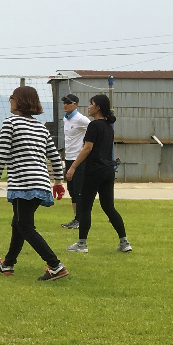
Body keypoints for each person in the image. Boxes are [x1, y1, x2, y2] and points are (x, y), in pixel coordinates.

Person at [0, 86, 68, 281]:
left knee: (25, 226)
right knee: (18, 223)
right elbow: (55, 158)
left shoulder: (11, 123)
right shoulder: (41, 127)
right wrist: (58, 181)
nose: (10, 100)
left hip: (23, 183)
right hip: (41, 183)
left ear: (19, 101)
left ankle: (55, 265)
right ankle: (8, 264)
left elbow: (2, 153)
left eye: (12, 98)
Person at [65, 94, 132, 253]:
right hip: (108, 170)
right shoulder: (108, 126)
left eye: (91, 104)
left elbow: (87, 149)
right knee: (109, 207)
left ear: (98, 107)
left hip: (94, 170)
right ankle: (124, 242)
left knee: (85, 206)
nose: (88, 107)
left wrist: (73, 167)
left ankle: (82, 244)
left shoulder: (94, 125)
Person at [59, 94, 90, 229]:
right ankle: (77, 219)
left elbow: (94, 128)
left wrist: (87, 143)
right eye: (64, 102)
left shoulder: (81, 119)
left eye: (68, 102)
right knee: (71, 190)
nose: (65, 105)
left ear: (75, 104)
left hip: (79, 159)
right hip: (69, 157)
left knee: (78, 190)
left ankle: (81, 220)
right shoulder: (66, 119)